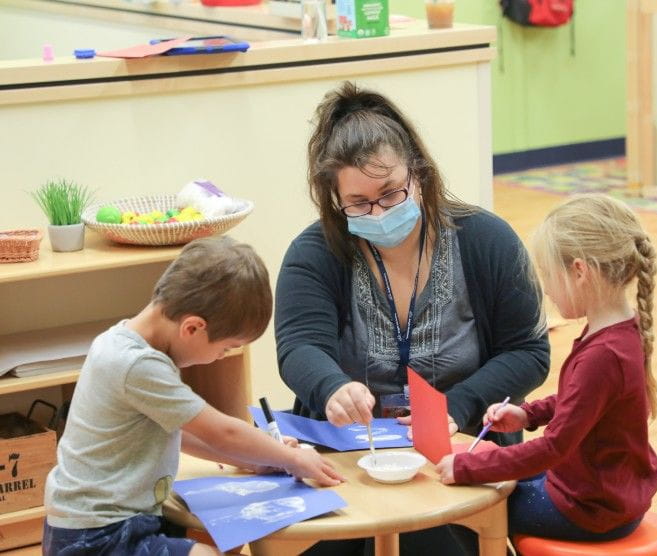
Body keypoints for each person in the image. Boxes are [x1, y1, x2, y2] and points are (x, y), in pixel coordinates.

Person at [274, 81, 549, 553]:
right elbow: (298, 346)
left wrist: (457, 406)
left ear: (418, 175)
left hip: (458, 449)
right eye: (359, 204)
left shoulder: (486, 240)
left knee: (433, 538)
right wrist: (331, 387)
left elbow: (528, 351)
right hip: (349, 456)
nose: (378, 212)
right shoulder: (314, 252)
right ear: (336, 203)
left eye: (391, 193)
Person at [43, 237, 343, 556]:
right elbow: (222, 431)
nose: (221, 356)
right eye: (226, 347)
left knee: (230, 534)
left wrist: (257, 460)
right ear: (193, 328)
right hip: (97, 536)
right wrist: (292, 458)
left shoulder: (124, 342)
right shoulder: (137, 365)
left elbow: (178, 433)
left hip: (114, 523)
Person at [436, 194, 657, 543]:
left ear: (580, 272)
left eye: (547, 274)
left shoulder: (604, 354)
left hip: (591, 509)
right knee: (500, 477)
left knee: (471, 502)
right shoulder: (620, 330)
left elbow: (554, 448)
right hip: (606, 492)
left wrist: (465, 467)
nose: (547, 290)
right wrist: (527, 415)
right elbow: (583, 402)